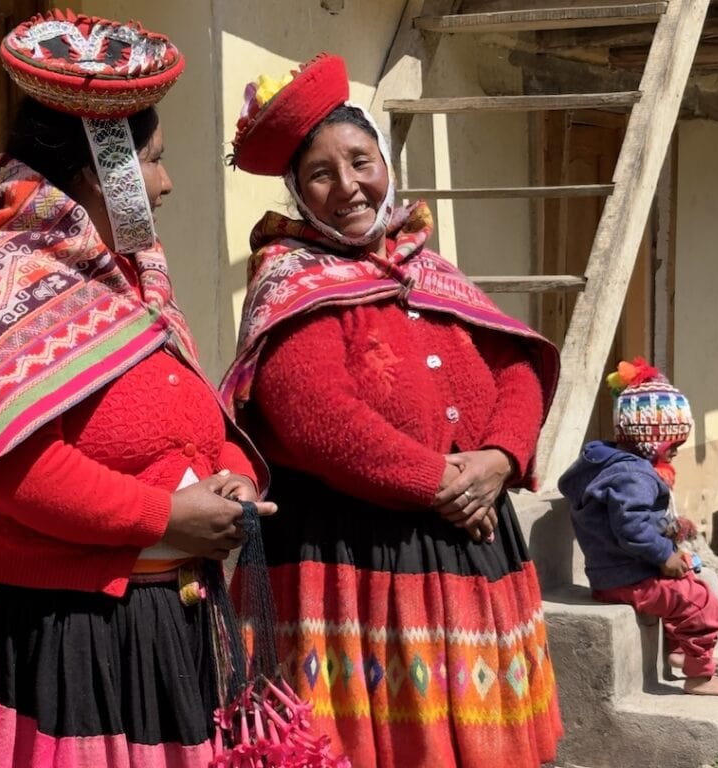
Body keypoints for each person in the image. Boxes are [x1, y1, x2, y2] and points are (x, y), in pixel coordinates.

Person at [0, 12, 276, 768]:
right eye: (154, 163)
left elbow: (187, 405)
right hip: (63, 646)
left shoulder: (129, 274)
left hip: (158, 630)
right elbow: (14, 469)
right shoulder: (7, 276)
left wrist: (229, 464)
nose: (165, 185)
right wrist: (166, 515)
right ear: (104, 166)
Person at [221, 53, 563, 768]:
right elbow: (313, 417)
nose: (348, 186)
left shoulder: (429, 268)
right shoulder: (289, 281)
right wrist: (443, 484)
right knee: (371, 744)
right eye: (321, 174)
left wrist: (498, 459)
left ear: (386, 161)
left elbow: (518, 367)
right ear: (298, 192)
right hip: (351, 559)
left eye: (360, 160)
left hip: (471, 547)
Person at [558, 358, 718, 697]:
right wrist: (663, 555)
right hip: (627, 578)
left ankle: (679, 652)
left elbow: (633, 517)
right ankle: (700, 676)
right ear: (650, 439)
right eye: (672, 445)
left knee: (689, 582)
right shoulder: (635, 475)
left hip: (614, 574)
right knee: (702, 602)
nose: (675, 453)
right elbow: (631, 526)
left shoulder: (614, 465)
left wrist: (671, 530)